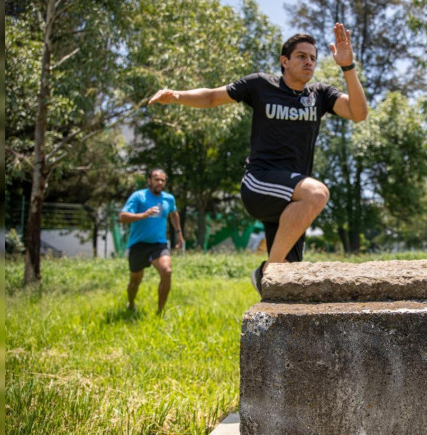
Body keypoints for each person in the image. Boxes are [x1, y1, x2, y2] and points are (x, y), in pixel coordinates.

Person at [148, 23, 368, 296]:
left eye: (313, 58)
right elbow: (212, 97)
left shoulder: (320, 95)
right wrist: (177, 96)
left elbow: (359, 113)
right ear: (284, 61)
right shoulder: (261, 85)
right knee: (317, 193)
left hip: (293, 198)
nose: (309, 62)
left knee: (289, 279)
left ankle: (270, 278)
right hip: (260, 183)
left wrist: (348, 67)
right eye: (301, 56)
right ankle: (268, 272)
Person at [119, 168, 184, 314]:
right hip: (138, 244)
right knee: (134, 282)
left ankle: (160, 312)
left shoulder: (169, 198)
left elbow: (174, 214)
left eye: (162, 180)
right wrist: (144, 215)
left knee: (167, 271)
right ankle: (131, 303)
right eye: (156, 179)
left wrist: (179, 232)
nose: (159, 182)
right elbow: (122, 217)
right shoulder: (139, 196)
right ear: (149, 180)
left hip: (158, 244)